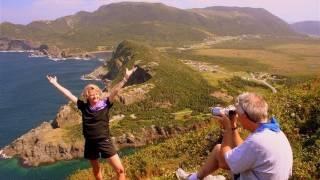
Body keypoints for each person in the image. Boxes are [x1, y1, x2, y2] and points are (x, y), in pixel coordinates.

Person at [47, 67, 137, 180]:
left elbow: (115, 91)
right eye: (91, 95)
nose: (95, 96)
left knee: (120, 170)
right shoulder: (84, 107)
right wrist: (55, 83)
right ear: (87, 96)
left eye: (96, 94)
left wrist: (125, 78)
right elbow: (68, 95)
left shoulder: (106, 104)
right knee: (96, 171)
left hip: (104, 141)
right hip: (90, 143)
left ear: (99, 94)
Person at [177, 92, 293, 180]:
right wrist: (233, 126)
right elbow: (246, 149)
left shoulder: (257, 141)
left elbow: (225, 162)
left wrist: (227, 129)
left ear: (245, 117)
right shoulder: (275, 133)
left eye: (237, 113)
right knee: (220, 150)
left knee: (219, 150)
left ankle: (194, 178)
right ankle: (194, 177)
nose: (236, 115)